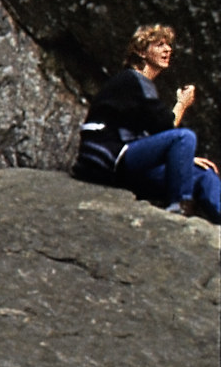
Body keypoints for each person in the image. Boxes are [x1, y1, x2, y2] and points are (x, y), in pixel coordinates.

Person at [72, 24, 221, 223]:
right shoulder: (132, 80)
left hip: (128, 165)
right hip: (109, 160)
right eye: (159, 45)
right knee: (185, 137)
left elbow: (152, 137)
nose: (168, 49)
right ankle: (179, 206)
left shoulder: (140, 87)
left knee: (203, 174)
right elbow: (167, 127)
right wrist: (182, 104)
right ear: (141, 52)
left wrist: (184, 160)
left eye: (168, 45)